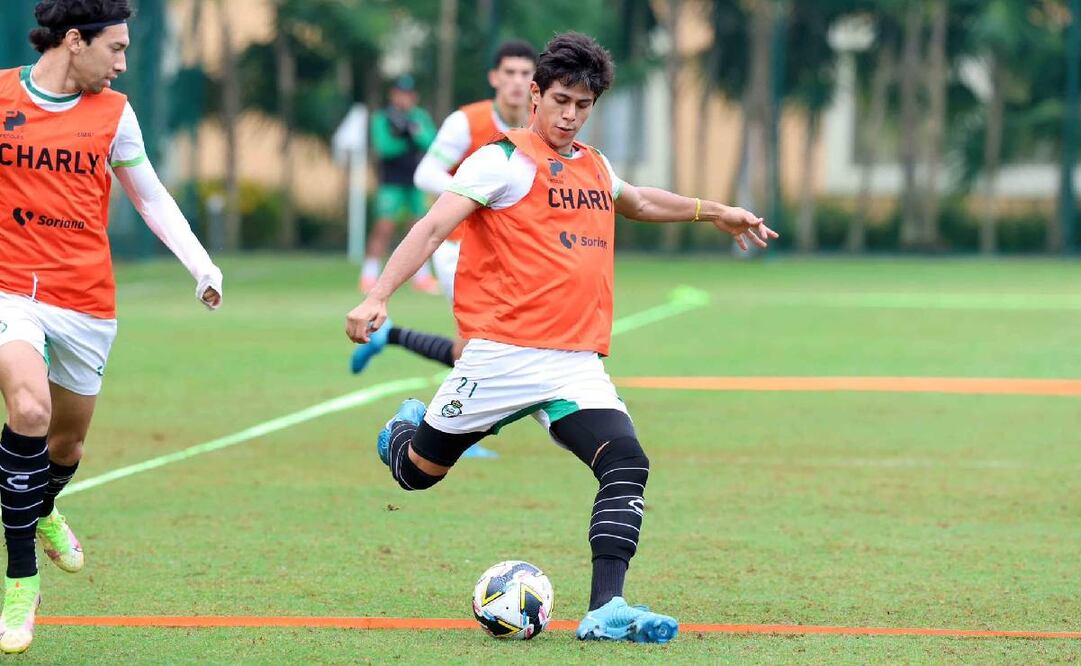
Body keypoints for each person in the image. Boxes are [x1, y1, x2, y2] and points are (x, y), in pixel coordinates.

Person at [346, 32, 776, 644]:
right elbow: (433, 226)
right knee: (417, 475)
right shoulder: (501, 160)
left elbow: (641, 203)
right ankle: (404, 433)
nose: (570, 115)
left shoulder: (596, 164)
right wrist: (377, 295)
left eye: (582, 104)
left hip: (573, 363)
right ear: (536, 94)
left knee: (626, 462)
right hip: (499, 357)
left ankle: (607, 608)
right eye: (561, 101)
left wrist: (717, 211)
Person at [0, 0, 223, 653]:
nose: (124, 62)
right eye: (116, 48)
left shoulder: (114, 114)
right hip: (11, 292)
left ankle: (41, 503)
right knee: (29, 408)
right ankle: (20, 583)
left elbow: (149, 194)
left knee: (64, 448)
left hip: (86, 302)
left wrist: (201, 265)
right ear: (75, 40)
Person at [349, 40, 537, 378]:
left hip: (513, 250)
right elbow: (426, 174)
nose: (517, 81)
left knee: (477, 349)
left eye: (526, 73)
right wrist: (480, 195)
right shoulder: (466, 122)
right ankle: (445, 427)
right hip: (459, 247)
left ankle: (390, 335)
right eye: (509, 72)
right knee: (485, 348)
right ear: (494, 77)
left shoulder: (540, 126)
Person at [361, 75, 438, 295]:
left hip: (416, 180)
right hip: (391, 181)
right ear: (393, 95)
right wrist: (406, 138)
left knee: (420, 228)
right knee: (384, 227)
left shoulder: (419, 117)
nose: (404, 99)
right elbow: (385, 148)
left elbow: (431, 142)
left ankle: (422, 276)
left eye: (408, 94)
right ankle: (369, 274)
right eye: (400, 94)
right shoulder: (382, 118)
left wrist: (412, 131)